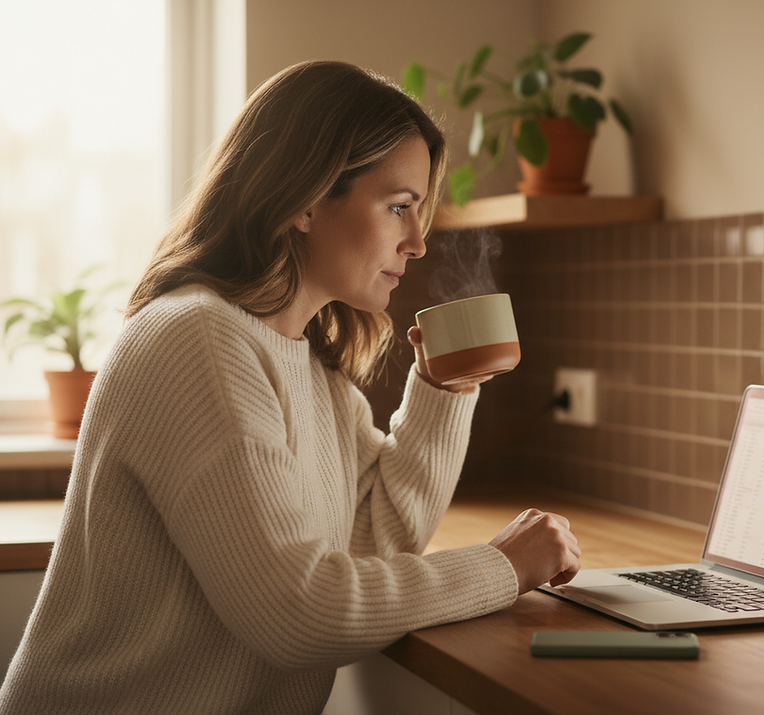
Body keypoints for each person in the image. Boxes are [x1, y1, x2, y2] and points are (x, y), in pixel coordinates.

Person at [0, 60, 580, 714]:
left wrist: (443, 389)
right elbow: (299, 612)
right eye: (398, 208)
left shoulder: (310, 367)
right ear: (305, 199)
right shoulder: (197, 340)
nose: (417, 242)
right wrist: (502, 566)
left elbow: (371, 547)